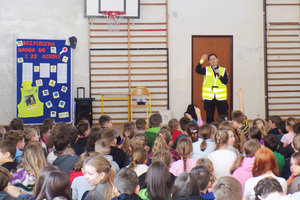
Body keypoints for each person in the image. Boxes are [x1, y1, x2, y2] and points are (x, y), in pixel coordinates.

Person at [195, 53, 228, 124]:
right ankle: (210, 132)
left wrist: (219, 74)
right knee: (209, 117)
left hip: (221, 98)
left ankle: (224, 131)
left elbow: (225, 81)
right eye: (211, 60)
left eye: (214, 59)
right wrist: (201, 60)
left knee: (223, 117)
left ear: (217, 60)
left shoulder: (223, 70)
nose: (213, 61)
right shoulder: (206, 69)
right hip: (209, 98)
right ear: (209, 62)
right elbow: (197, 70)